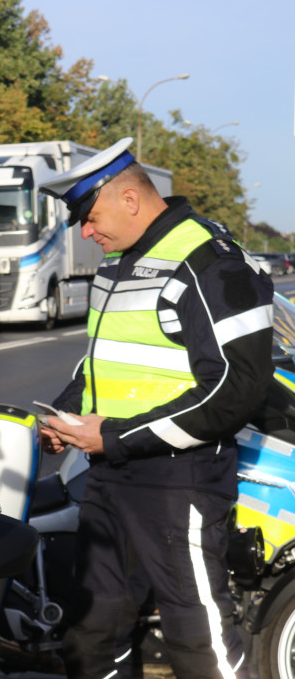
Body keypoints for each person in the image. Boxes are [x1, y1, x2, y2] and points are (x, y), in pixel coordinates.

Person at [38, 138, 274, 679]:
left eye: (90, 217)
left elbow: (235, 390)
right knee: (92, 635)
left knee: (198, 638)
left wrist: (115, 436)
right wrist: (64, 416)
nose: (85, 233)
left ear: (131, 199)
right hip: (107, 477)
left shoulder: (208, 262)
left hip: (178, 482)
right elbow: (104, 363)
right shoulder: (118, 263)